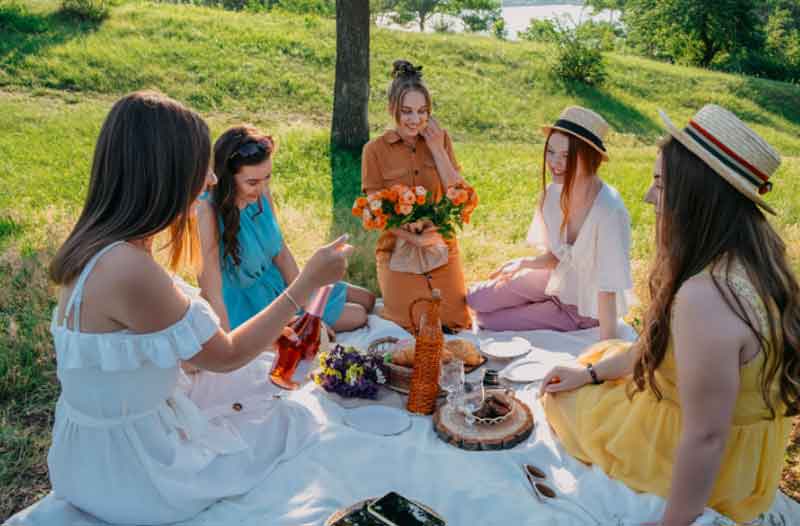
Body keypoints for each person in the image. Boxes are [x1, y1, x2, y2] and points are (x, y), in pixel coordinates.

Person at [46, 91, 352, 525]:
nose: (210, 179)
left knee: (260, 384)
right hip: (129, 475)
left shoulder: (100, 248)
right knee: (294, 422)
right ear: (165, 175)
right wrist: (307, 284)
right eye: (199, 167)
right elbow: (224, 355)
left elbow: (147, 356)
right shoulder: (129, 270)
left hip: (90, 454)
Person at [540, 104, 799, 525]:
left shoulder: (706, 298)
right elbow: (653, 347)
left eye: (660, 182)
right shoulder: (753, 262)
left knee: (561, 404)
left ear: (697, 195)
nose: (648, 195)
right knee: (594, 361)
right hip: (740, 455)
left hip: (690, 458)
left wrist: (673, 522)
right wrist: (589, 376)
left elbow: (705, 436)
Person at [467, 106, 633, 340]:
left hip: (582, 308)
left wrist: (606, 352)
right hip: (554, 279)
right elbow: (559, 255)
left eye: (566, 156)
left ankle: (548, 311)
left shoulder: (609, 209)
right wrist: (525, 263)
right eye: (551, 152)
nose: (555, 163)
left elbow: (607, 290)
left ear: (590, 157)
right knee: (475, 299)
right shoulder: (552, 195)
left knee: (487, 321)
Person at [197, 125, 374, 333]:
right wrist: (226, 344)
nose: (262, 189)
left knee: (368, 299)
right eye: (252, 182)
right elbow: (211, 289)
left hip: (278, 283)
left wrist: (305, 298)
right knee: (358, 315)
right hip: (249, 305)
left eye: (267, 178)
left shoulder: (260, 193)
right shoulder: (207, 211)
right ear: (227, 178)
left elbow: (281, 253)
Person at [361, 59, 474, 332]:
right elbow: (375, 212)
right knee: (408, 325)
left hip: (440, 244)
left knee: (455, 322)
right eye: (407, 111)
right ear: (392, 110)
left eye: (423, 111)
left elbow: (458, 193)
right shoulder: (374, 150)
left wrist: (437, 150)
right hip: (397, 247)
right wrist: (414, 238)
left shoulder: (440, 139)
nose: (415, 120)